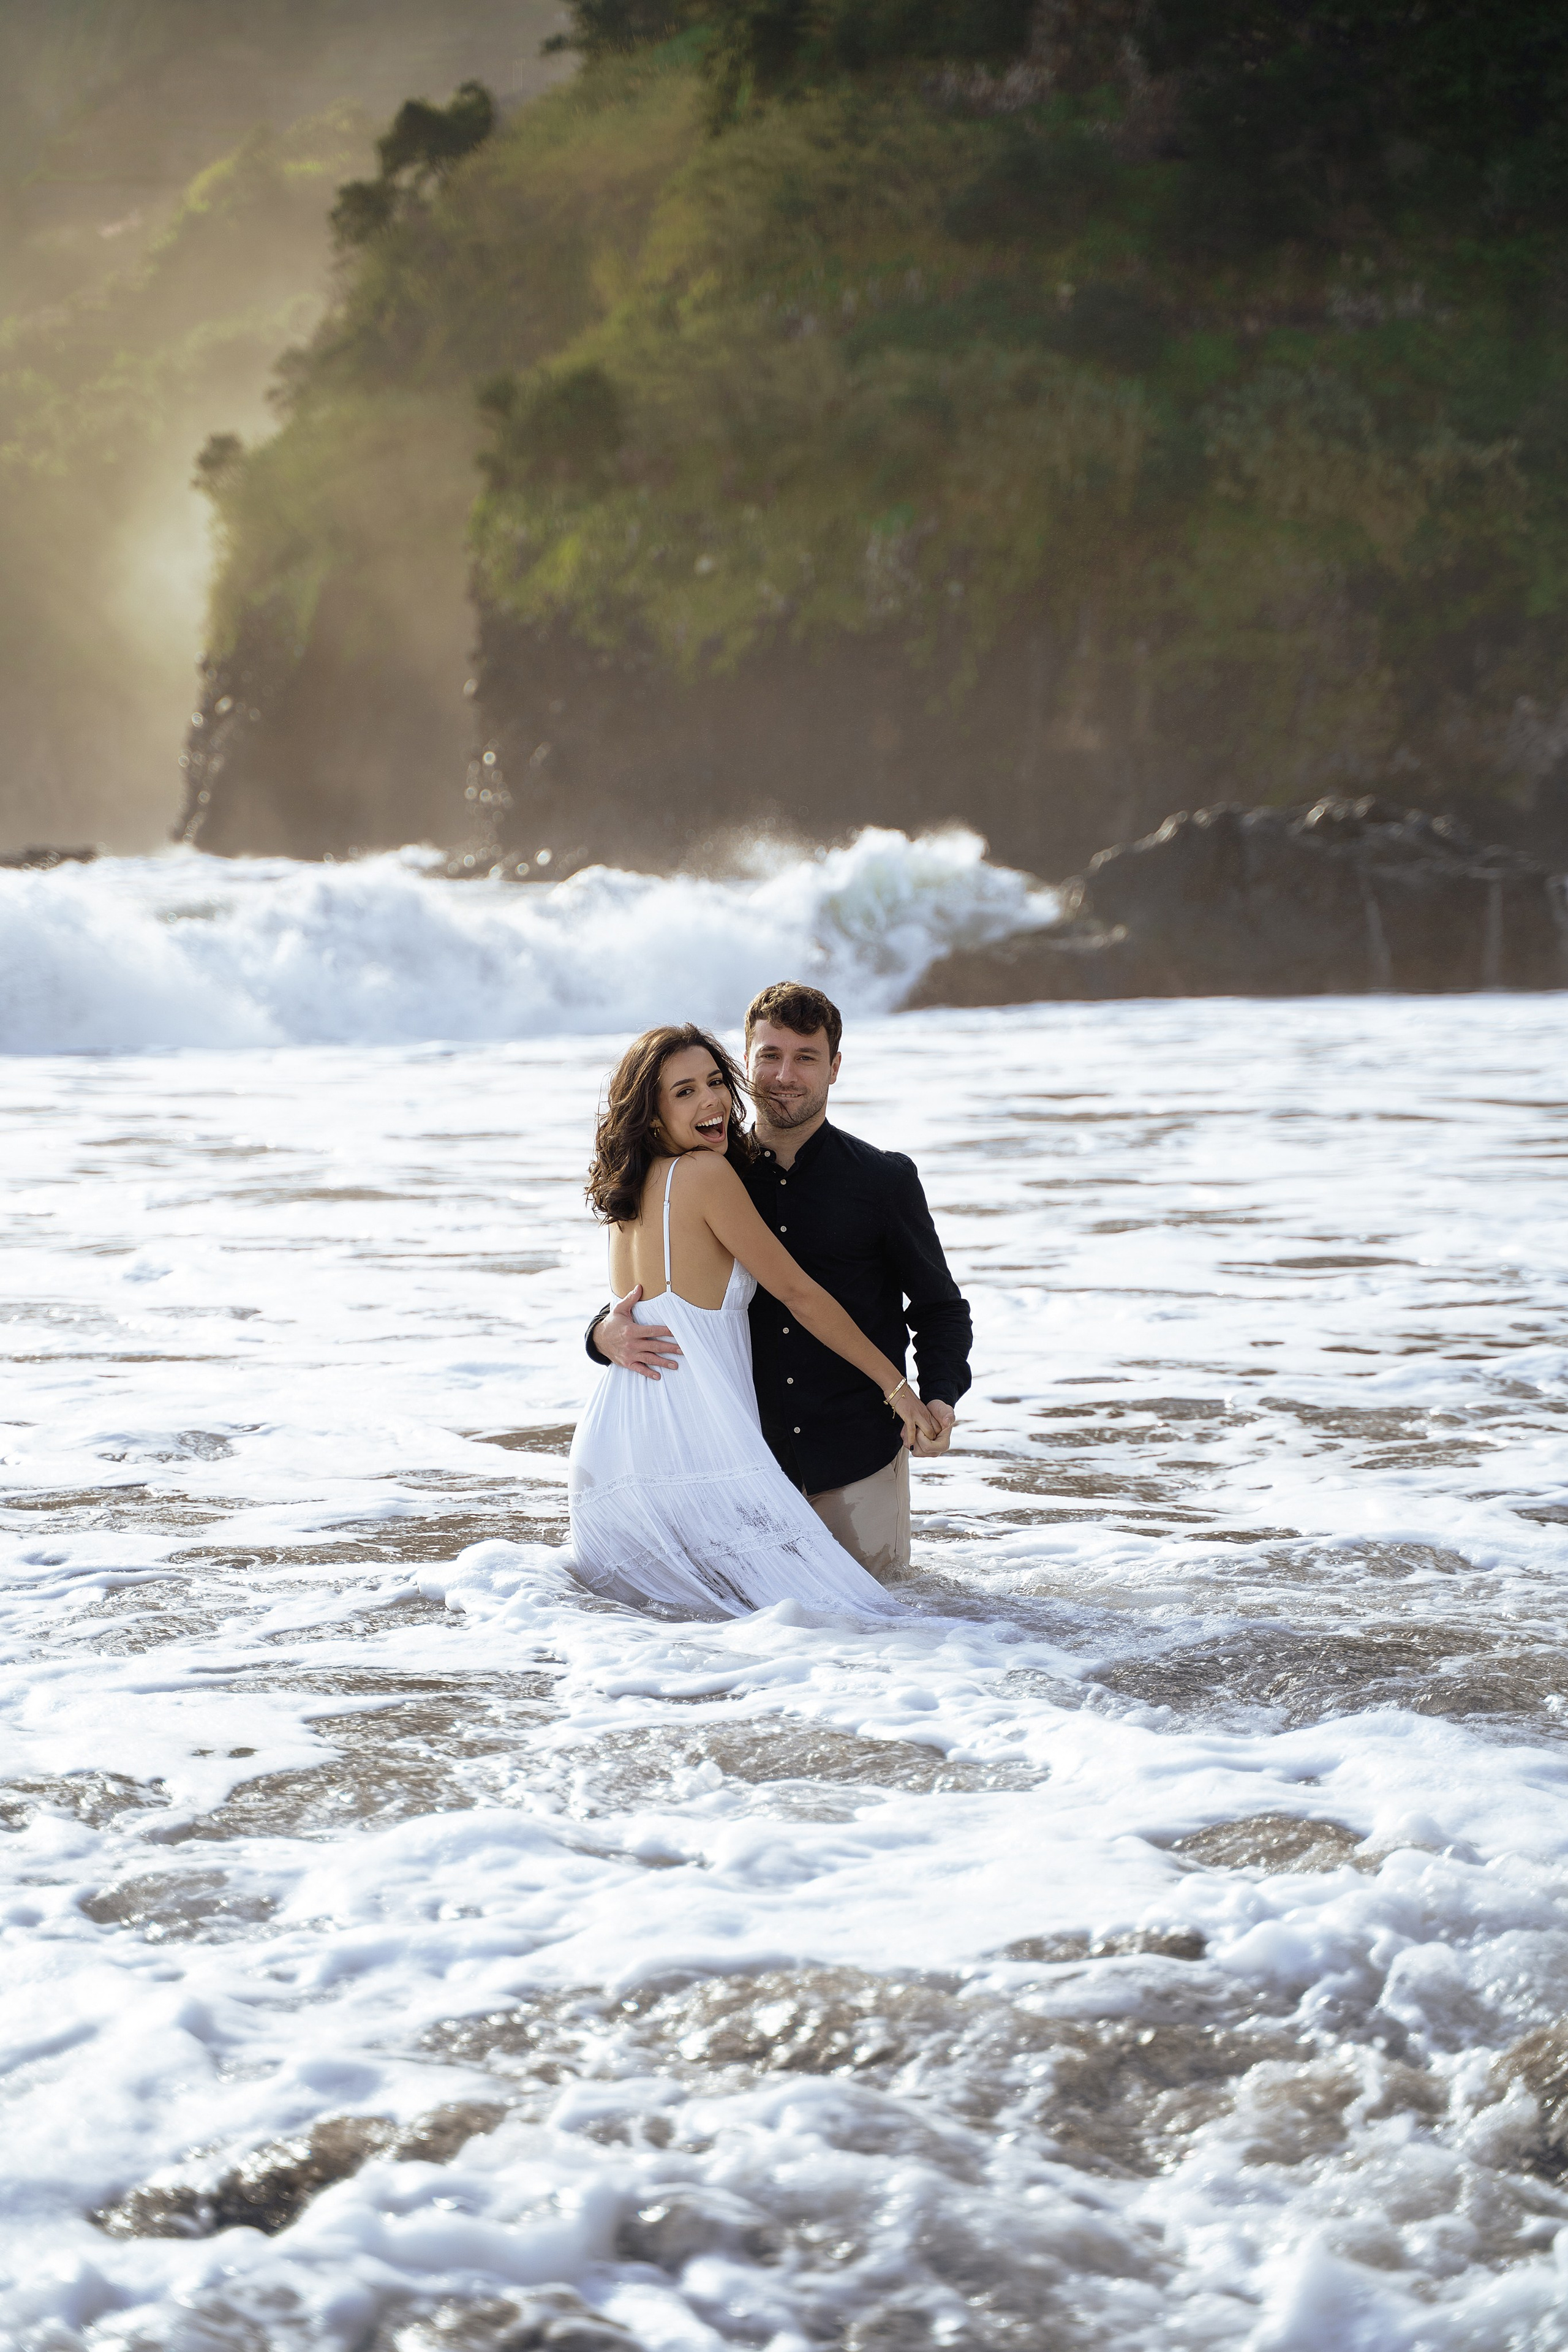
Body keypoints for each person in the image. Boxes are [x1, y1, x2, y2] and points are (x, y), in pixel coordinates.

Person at [583, 981, 972, 1584]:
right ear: (747, 1059)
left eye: (805, 1058)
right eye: (769, 1056)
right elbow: (651, 1296)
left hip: (855, 1458)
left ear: (834, 1068)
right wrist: (601, 1334)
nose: (784, 1075)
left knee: (887, 1640)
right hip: (742, 1463)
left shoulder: (882, 1180)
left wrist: (938, 1395)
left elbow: (940, 1308)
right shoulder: (708, 1169)